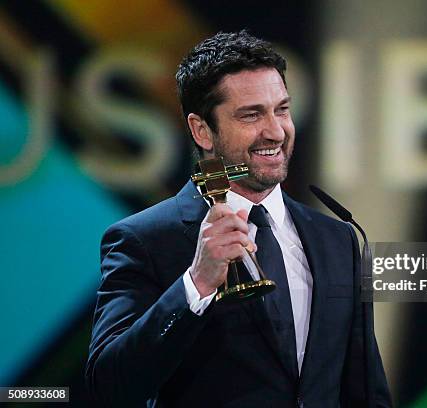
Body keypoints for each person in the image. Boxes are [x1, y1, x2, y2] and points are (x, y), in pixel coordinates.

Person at [86, 30, 391, 407]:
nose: (276, 131)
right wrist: (195, 284)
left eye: (282, 109)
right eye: (251, 115)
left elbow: (365, 388)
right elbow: (109, 385)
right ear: (202, 131)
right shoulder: (144, 240)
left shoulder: (339, 239)